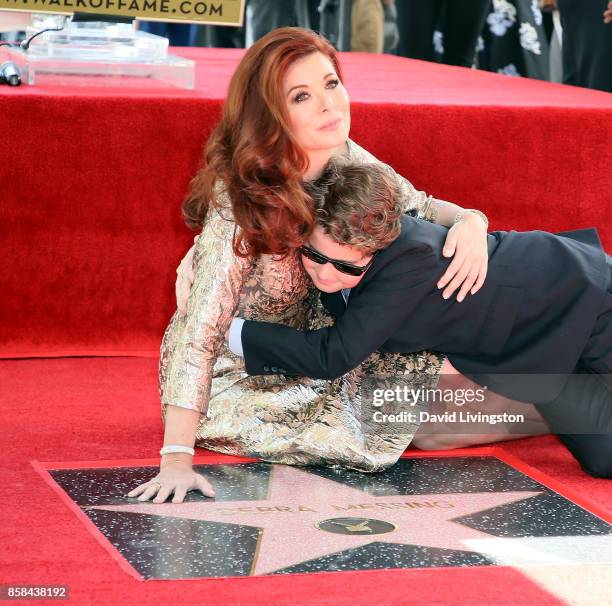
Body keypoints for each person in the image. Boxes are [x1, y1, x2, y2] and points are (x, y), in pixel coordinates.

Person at [127, 27, 491, 505]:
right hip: (238, 372)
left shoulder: (340, 152)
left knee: (426, 365)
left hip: (318, 340)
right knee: (400, 418)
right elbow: (201, 330)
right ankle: (567, 407)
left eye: (331, 84)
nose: (327, 105)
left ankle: (571, 400)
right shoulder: (237, 202)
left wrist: (472, 221)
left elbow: (420, 205)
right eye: (302, 96)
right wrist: (176, 457)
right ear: (271, 116)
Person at [229, 159, 612, 479]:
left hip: (581, 299)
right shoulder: (341, 236)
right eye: (314, 256)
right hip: (537, 350)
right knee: (604, 458)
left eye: (346, 265)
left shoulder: (411, 258)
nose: (326, 275)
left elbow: (333, 355)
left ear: (379, 246)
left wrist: (228, 332)